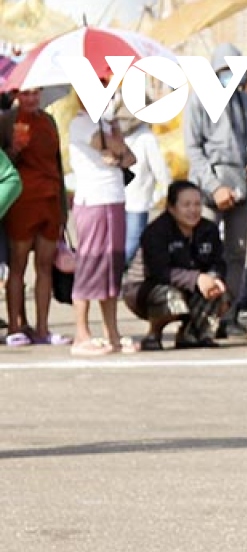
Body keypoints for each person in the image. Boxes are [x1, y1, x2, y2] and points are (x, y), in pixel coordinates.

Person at [183, 43, 247, 325]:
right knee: (203, 250)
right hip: (208, 186)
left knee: (237, 252)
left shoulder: (246, 102)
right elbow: (193, 150)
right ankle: (200, 315)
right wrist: (214, 186)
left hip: (242, 184)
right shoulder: (198, 100)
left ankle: (229, 315)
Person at [122, 180, 228, 351]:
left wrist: (214, 278)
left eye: (197, 204)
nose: (193, 210)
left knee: (220, 294)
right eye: (186, 205)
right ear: (171, 208)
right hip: (144, 289)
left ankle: (191, 334)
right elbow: (160, 272)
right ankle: (153, 334)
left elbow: (218, 261)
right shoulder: (155, 231)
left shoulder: (209, 229)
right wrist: (197, 278)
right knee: (171, 298)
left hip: (189, 286)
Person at [65, 94, 135, 355]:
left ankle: (112, 333)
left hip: (114, 198)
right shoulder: (82, 124)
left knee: (112, 267)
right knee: (91, 263)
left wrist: (115, 134)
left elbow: (129, 158)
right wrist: (115, 147)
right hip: (93, 200)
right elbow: (118, 150)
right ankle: (81, 335)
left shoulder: (106, 125)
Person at [1, 88, 68, 346]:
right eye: (26, 94)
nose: (31, 99)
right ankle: (15, 326)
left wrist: (63, 209)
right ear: (17, 94)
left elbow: (58, 164)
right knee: (17, 267)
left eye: (35, 94)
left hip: (49, 199)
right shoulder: (7, 121)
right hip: (21, 201)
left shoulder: (48, 120)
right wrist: (13, 150)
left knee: (45, 266)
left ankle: (42, 328)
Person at [120, 110, 170, 264]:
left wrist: (166, 193)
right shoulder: (114, 134)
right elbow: (161, 172)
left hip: (136, 203)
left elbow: (161, 171)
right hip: (123, 201)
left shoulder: (146, 138)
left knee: (129, 249)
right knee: (127, 249)